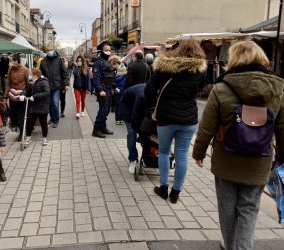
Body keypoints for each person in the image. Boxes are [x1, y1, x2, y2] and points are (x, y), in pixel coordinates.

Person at [192, 41, 284, 250]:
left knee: (227, 209)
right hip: (260, 161)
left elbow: (207, 126)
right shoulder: (278, 89)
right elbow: (282, 128)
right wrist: (281, 159)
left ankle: (231, 245)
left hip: (226, 159)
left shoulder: (222, 88)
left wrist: (199, 152)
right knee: (249, 209)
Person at [144, 38, 207, 204]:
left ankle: (163, 187)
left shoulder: (164, 66)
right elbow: (199, 90)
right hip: (189, 118)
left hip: (166, 117)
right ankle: (176, 191)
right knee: (182, 155)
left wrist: (156, 102)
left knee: (164, 152)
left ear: (177, 49)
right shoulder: (200, 69)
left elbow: (149, 90)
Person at [92, 43, 119, 138]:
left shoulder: (107, 62)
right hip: (103, 90)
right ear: (102, 51)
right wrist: (99, 90)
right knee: (103, 110)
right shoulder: (98, 62)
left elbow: (111, 77)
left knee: (107, 110)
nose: (108, 52)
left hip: (109, 89)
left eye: (109, 50)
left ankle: (103, 127)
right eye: (106, 50)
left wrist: (114, 87)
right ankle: (96, 129)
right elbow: (96, 78)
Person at [118, 83, 146, 174]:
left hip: (139, 105)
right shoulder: (142, 95)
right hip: (128, 107)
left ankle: (148, 156)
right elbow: (135, 115)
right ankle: (133, 159)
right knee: (132, 132)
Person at [40, 46, 70, 128]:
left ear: (54, 50)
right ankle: (52, 118)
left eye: (51, 50)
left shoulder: (59, 60)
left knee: (55, 103)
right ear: (46, 52)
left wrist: (66, 84)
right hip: (47, 86)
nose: (50, 51)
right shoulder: (43, 61)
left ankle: (56, 120)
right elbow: (41, 74)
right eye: (48, 50)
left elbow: (65, 72)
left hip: (57, 85)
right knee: (49, 104)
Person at [4, 53, 29, 141]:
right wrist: (5, 95)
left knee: (21, 116)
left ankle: (22, 133)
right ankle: (19, 130)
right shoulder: (10, 69)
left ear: (16, 61)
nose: (9, 63)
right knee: (13, 115)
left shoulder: (26, 70)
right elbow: (8, 83)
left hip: (21, 96)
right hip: (12, 96)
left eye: (11, 61)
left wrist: (26, 94)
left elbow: (29, 83)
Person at [25, 68, 50, 146]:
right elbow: (27, 92)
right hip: (32, 107)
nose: (29, 76)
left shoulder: (43, 82)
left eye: (30, 74)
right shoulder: (30, 83)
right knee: (30, 123)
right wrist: (23, 95)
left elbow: (46, 92)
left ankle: (44, 138)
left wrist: (35, 96)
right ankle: (28, 138)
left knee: (43, 123)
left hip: (42, 107)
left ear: (35, 75)